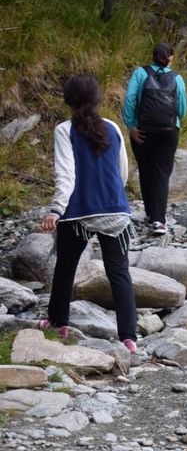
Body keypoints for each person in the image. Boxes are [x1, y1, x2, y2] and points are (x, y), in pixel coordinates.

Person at [40, 74, 138, 354]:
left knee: (65, 267)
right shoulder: (113, 128)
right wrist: (114, 199)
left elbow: (66, 175)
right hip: (115, 210)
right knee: (119, 273)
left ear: (67, 100)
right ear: (97, 99)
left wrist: (56, 209)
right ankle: (129, 338)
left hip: (78, 212)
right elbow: (122, 172)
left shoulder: (64, 130)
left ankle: (59, 324)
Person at [122, 43, 187, 235]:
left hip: (143, 131)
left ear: (152, 56)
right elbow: (183, 106)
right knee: (161, 174)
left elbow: (130, 99)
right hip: (168, 132)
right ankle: (159, 220)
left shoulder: (140, 73)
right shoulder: (177, 78)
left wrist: (131, 125)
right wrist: (175, 121)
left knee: (146, 170)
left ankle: (151, 214)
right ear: (171, 58)